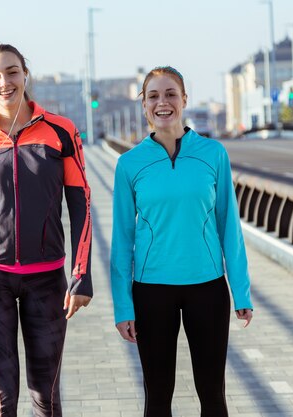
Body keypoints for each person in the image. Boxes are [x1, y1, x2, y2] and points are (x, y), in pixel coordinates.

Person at [0, 44, 92, 417]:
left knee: (46, 396)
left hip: (46, 278)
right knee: (2, 399)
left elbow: (81, 204)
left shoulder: (62, 131)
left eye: (11, 72)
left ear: (25, 74)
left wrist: (81, 275)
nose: (4, 82)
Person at [110, 66, 253, 417]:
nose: (163, 103)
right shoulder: (130, 164)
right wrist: (123, 306)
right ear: (144, 105)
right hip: (151, 290)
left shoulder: (213, 154)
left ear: (185, 100)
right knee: (157, 397)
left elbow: (228, 227)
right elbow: (121, 239)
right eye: (154, 96)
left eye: (171, 94)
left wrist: (242, 291)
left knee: (212, 394)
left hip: (207, 287)